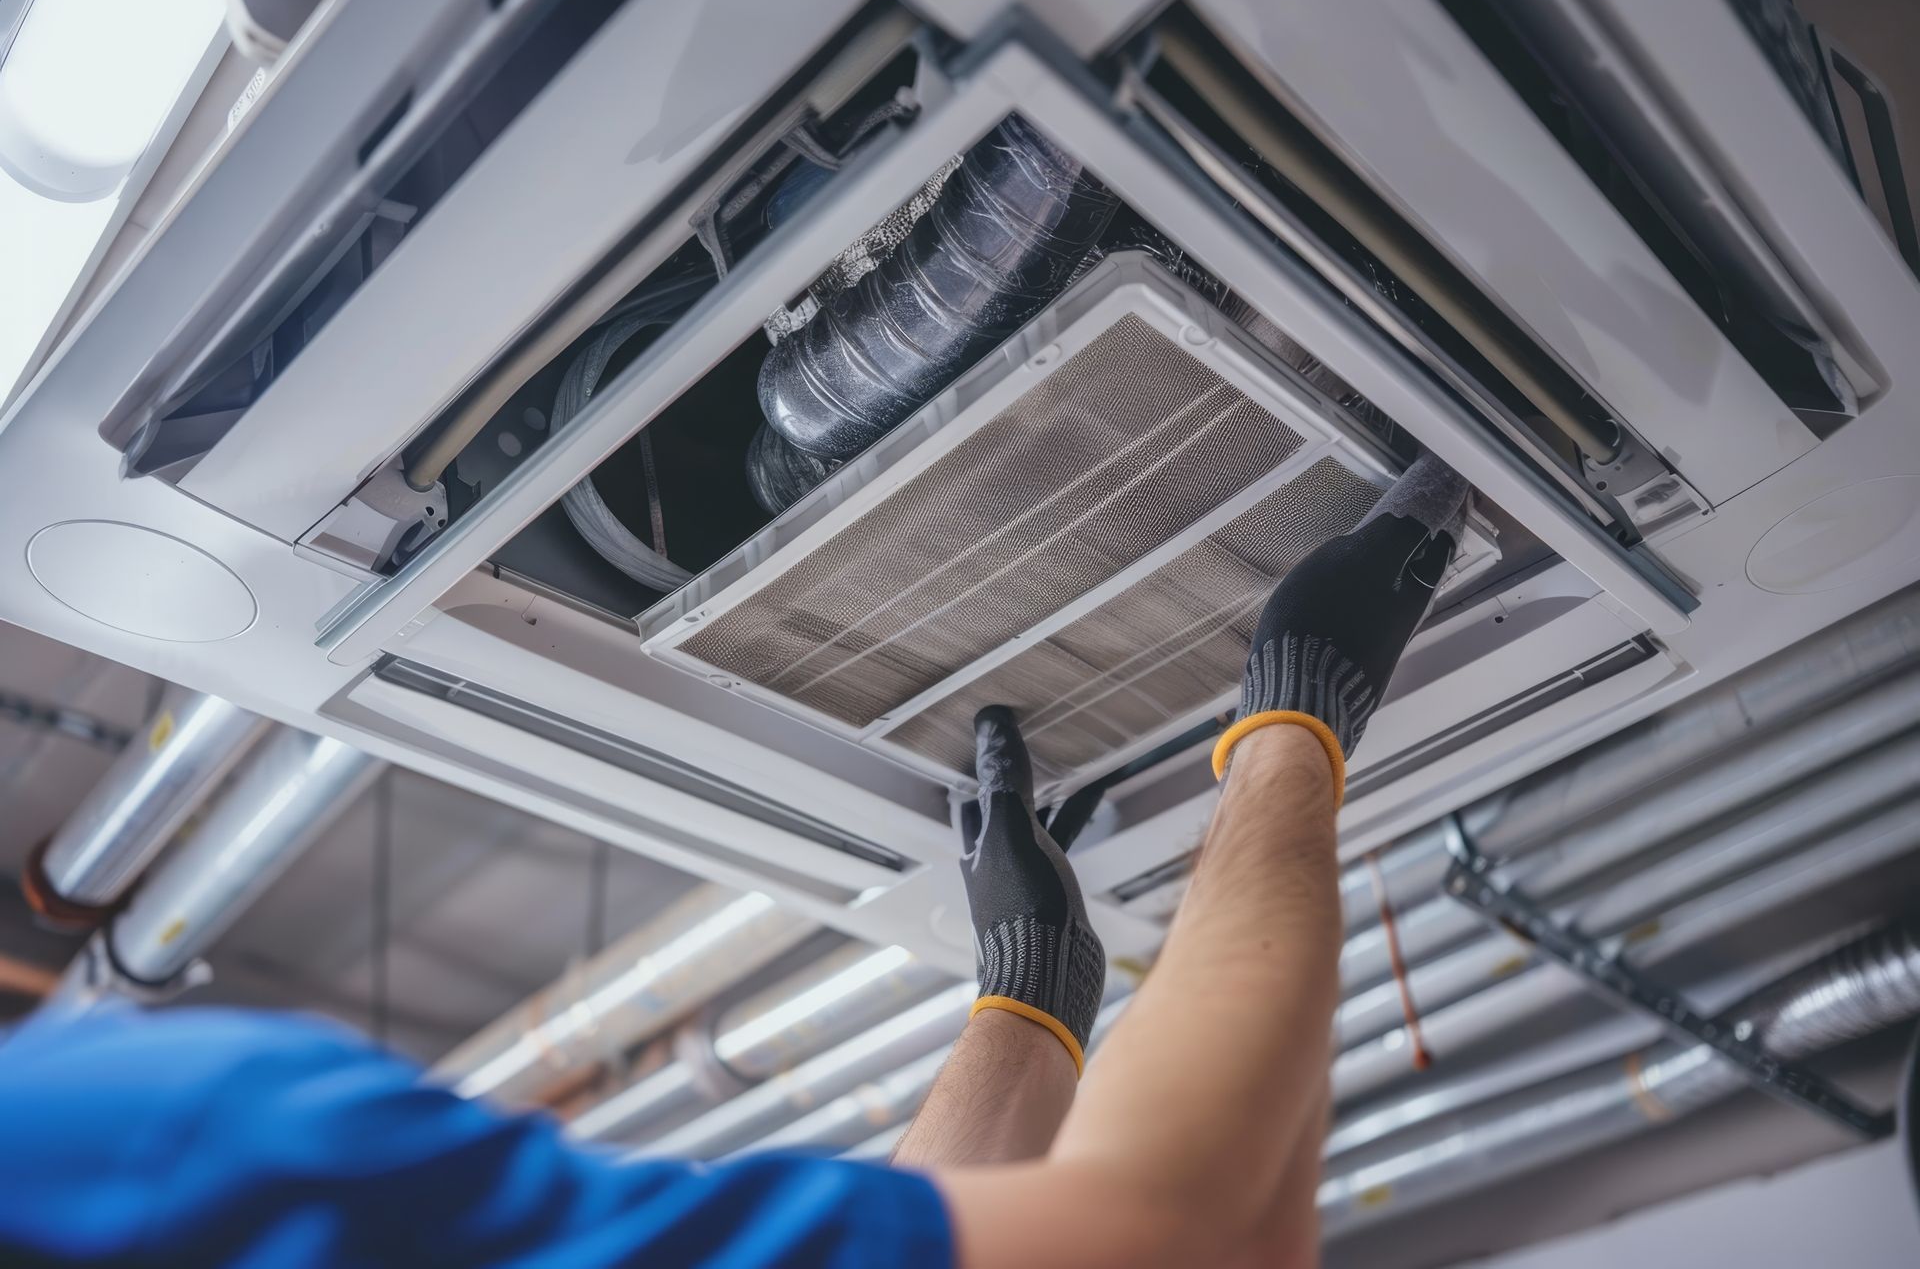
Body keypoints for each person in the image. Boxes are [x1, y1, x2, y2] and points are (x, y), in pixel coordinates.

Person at [0, 455, 1468, 1268]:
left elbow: (1208, 1242)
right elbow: (1180, 1240)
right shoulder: (154, 1153)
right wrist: (1292, 726)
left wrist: (1026, 1010)